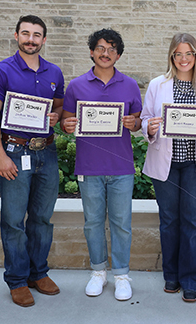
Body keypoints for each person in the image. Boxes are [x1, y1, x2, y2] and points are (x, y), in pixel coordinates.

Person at [0, 15, 64, 307]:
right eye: (26, 33)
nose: (31, 39)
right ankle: (17, 279)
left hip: (47, 153)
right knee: (14, 221)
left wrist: (56, 116)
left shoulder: (54, 72)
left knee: (42, 218)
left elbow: (58, 107)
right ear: (16, 35)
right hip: (14, 152)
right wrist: (0, 155)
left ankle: (37, 273)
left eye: (37, 35)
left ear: (44, 39)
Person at [141, 33, 196, 303]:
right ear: (172, 57)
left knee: (195, 222)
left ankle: (192, 279)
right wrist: (149, 127)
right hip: (166, 164)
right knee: (169, 221)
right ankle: (172, 275)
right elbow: (145, 118)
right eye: (178, 54)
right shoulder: (157, 85)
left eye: (189, 54)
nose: (184, 59)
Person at [61, 28, 142, 301]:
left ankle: (121, 275)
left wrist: (134, 123)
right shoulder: (76, 85)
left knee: (121, 223)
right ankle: (98, 272)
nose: (105, 53)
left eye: (111, 49)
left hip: (121, 168)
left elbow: (138, 121)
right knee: (92, 223)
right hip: (89, 166)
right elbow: (67, 122)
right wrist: (66, 124)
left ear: (118, 54)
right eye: (100, 48)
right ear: (92, 52)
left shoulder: (130, 85)